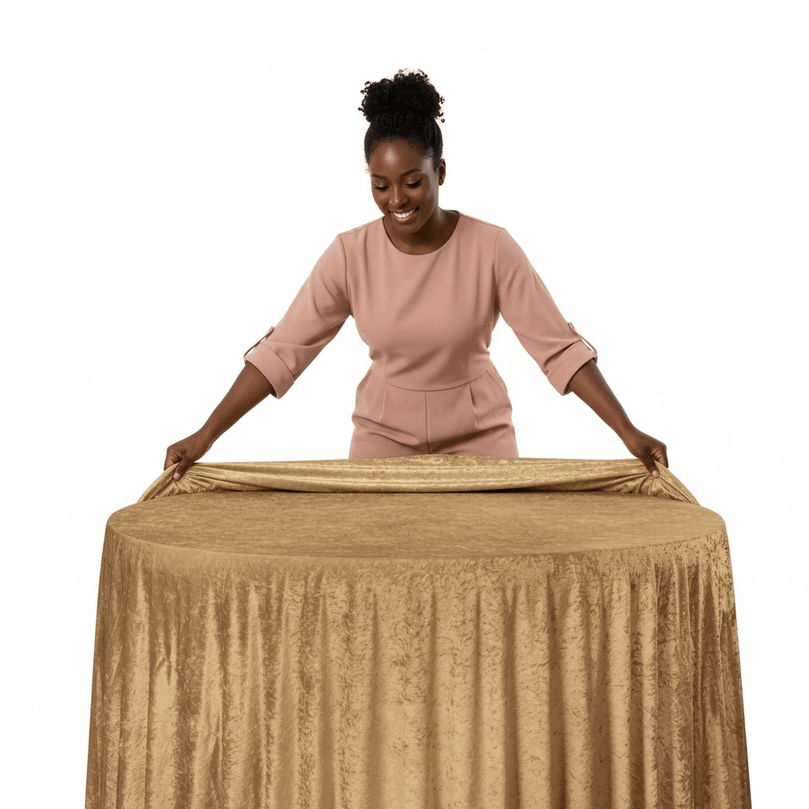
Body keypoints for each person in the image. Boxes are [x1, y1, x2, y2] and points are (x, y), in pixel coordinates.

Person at [164, 69, 668, 480]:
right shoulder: (348, 254)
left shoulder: (493, 247)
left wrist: (628, 432)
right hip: (382, 441)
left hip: (481, 440)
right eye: (380, 186)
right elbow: (282, 353)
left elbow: (557, 347)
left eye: (412, 182)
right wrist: (204, 436)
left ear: (440, 172)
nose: (397, 201)